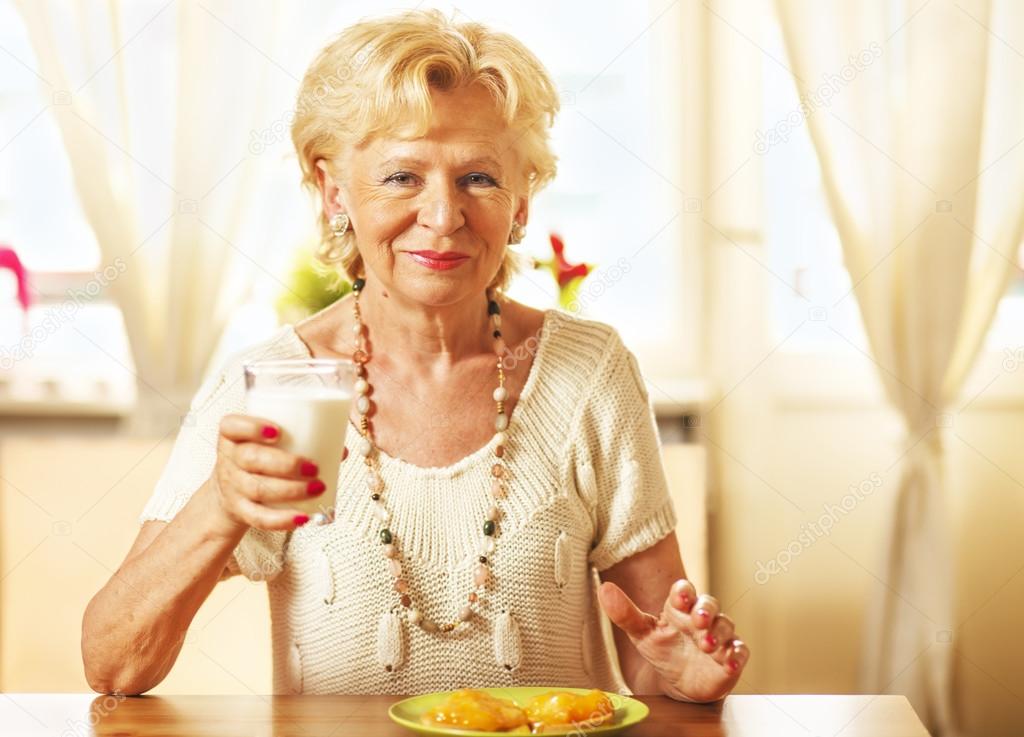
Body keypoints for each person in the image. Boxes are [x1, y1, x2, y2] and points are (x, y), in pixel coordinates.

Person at [82, 9, 748, 700]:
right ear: (334, 192)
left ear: (521, 201)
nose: (443, 215)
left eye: (480, 179)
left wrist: (680, 675)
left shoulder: (590, 372)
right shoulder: (276, 386)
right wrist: (222, 503)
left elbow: (650, 653)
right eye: (402, 177)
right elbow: (114, 665)